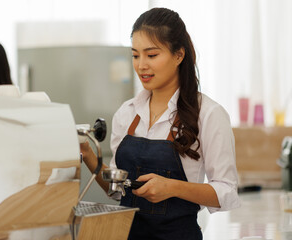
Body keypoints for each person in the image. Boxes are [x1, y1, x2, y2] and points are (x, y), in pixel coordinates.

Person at [80, 7, 240, 240]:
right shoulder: (126, 113)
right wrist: (89, 156)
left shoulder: (209, 114)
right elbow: (118, 191)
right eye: (135, 55)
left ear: (178, 55)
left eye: (151, 55)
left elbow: (226, 191)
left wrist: (172, 187)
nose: (141, 65)